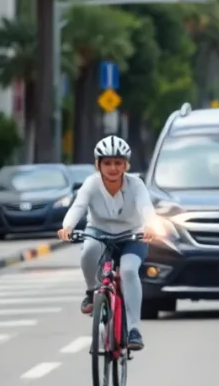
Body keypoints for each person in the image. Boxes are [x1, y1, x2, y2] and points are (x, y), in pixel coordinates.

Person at [58, 136, 155, 351]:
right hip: (99, 233)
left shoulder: (136, 185)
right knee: (88, 251)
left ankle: (134, 329)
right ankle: (92, 292)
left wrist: (150, 226)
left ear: (126, 165)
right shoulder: (91, 184)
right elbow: (78, 206)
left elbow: (146, 208)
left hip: (131, 236)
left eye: (118, 163)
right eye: (107, 163)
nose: (113, 168)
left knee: (129, 271)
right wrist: (68, 227)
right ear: (98, 164)